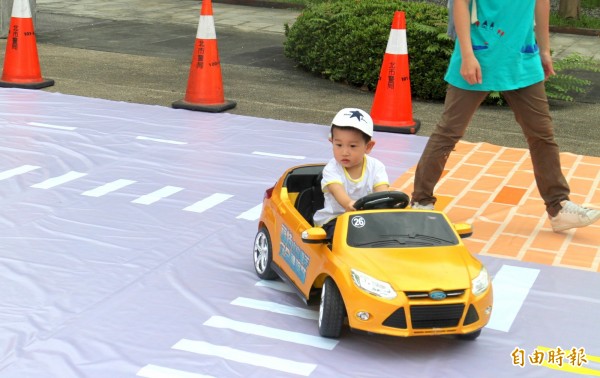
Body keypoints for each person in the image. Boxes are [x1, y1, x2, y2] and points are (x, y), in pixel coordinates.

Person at [411, 0, 600, 233]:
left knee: (542, 134)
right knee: (448, 132)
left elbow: (541, 3)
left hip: (522, 58)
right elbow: (461, 4)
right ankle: (421, 202)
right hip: (479, 55)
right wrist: (467, 55)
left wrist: (544, 49)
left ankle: (558, 208)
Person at [313, 108, 390, 238]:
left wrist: (386, 204)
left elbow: (382, 193)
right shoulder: (332, 169)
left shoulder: (376, 167)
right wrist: (349, 203)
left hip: (366, 219)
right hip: (335, 219)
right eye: (339, 145)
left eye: (352, 146)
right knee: (343, 237)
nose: (345, 152)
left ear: (368, 146)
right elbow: (337, 190)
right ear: (332, 142)